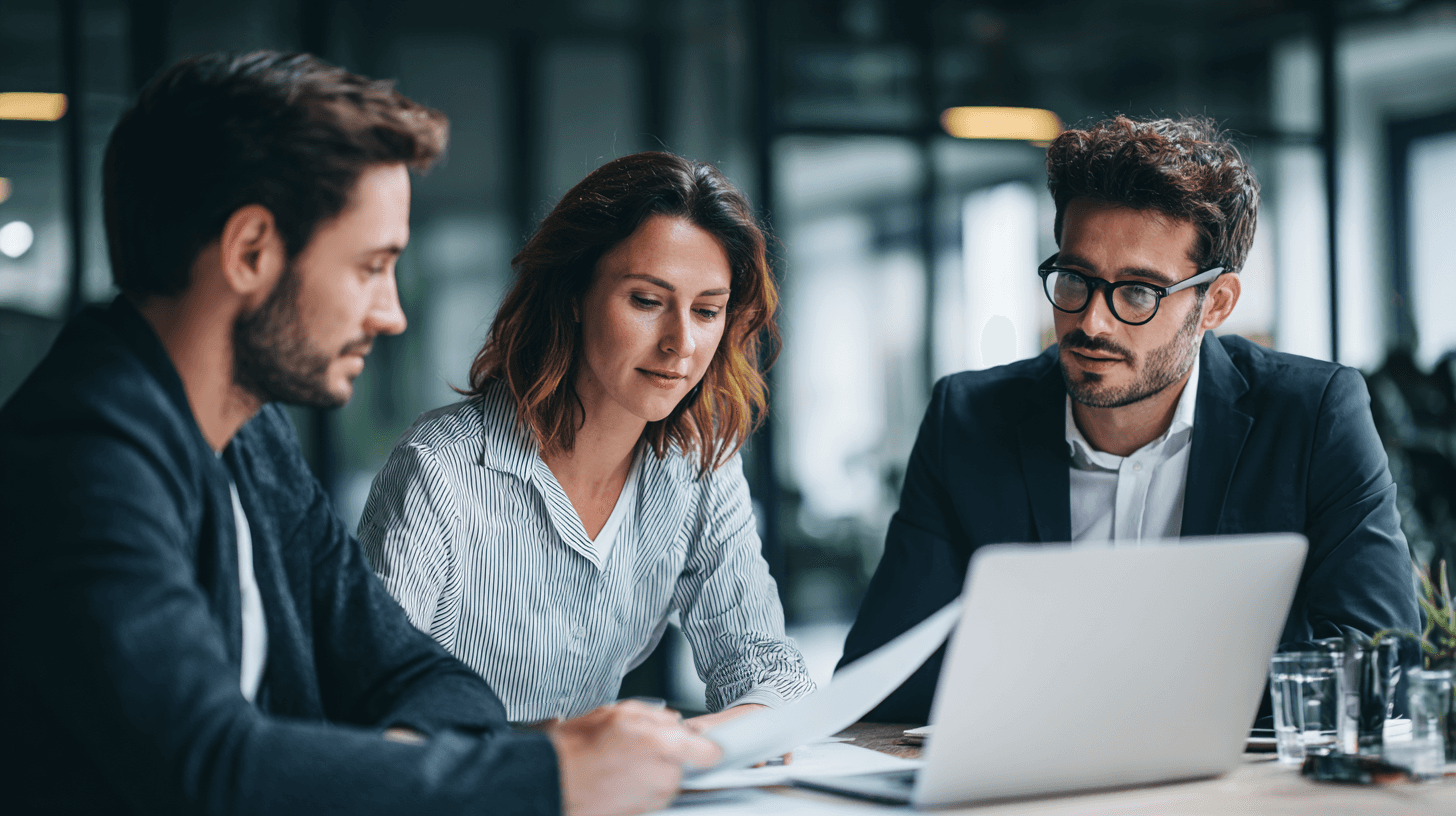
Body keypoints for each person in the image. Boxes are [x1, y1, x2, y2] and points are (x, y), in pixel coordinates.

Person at [0, 51, 718, 816]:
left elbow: (421, 677)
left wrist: (380, 769)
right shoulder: (81, 458)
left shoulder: (251, 440)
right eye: (372, 267)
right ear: (250, 252)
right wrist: (547, 777)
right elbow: (207, 769)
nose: (391, 312)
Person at [838, 115, 1421, 723]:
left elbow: (1380, 662)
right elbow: (882, 682)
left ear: (1215, 303)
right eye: (1074, 279)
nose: (1092, 322)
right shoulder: (967, 421)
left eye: (1139, 292)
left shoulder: (1310, 415)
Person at [358, 151, 814, 730]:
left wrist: (672, 747)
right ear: (573, 295)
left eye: (707, 311)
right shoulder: (439, 472)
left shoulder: (697, 464)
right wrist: (584, 753)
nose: (681, 343)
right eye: (647, 301)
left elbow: (772, 675)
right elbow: (376, 717)